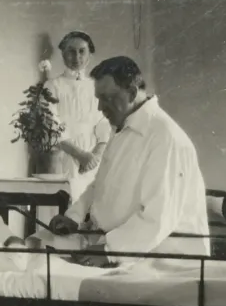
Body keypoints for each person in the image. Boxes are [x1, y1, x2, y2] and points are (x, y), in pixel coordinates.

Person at [47, 56, 211, 268]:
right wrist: (74, 215)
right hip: (129, 250)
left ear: (132, 93)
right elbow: (101, 185)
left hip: (165, 262)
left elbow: (158, 217)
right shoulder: (123, 128)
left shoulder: (165, 137)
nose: (100, 107)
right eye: (98, 98)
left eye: (107, 98)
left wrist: (110, 251)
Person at [43, 31, 112, 202]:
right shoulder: (52, 86)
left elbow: (104, 122)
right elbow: (52, 125)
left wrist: (93, 157)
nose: (76, 56)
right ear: (63, 53)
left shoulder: (95, 86)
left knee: (92, 209)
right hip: (64, 157)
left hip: (92, 161)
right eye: (71, 51)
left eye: (82, 51)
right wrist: (80, 155)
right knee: (64, 207)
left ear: (89, 54)